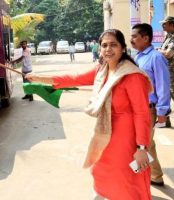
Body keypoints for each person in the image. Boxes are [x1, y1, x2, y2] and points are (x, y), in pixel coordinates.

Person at [26, 29, 152, 199]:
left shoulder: (132, 76)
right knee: (103, 171)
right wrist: (40, 78)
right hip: (105, 133)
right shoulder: (102, 70)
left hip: (126, 138)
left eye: (113, 45)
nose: (108, 49)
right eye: (104, 45)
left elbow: (141, 113)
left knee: (125, 178)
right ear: (99, 49)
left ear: (123, 48)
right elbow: (73, 78)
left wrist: (142, 147)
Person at [131, 23, 171, 187]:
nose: (131, 40)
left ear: (146, 38)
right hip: (137, 108)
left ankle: (136, 177)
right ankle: (156, 175)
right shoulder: (138, 56)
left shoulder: (156, 57)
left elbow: (163, 85)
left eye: (135, 36)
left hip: (149, 109)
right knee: (147, 144)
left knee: (142, 145)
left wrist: (162, 112)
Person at [158, 16, 174, 128]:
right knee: (164, 95)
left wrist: (158, 51)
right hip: (166, 70)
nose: (163, 26)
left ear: (172, 25)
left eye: (165, 24)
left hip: (172, 71)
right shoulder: (168, 36)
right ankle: (165, 121)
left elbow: (168, 54)